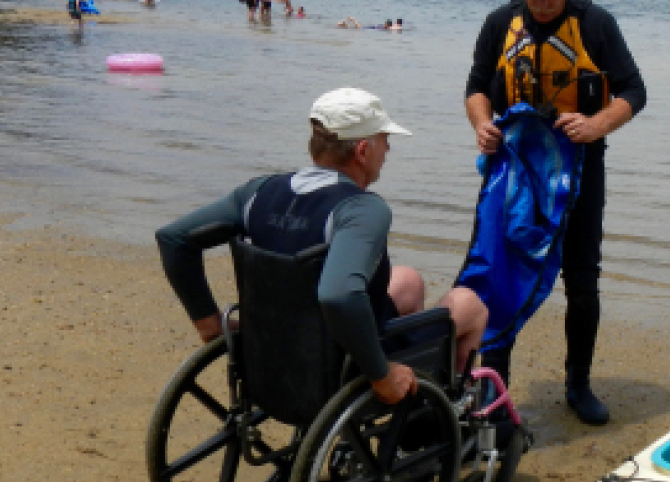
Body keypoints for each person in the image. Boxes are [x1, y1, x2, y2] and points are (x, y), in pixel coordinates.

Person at [155, 88, 489, 404]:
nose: (388, 151)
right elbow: (338, 294)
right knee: (469, 304)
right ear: (362, 150)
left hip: (275, 350)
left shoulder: (260, 192)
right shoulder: (361, 209)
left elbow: (174, 238)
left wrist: (210, 324)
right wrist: (381, 372)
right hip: (340, 365)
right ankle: (440, 406)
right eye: (385, 141)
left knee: (408, 280)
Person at [463, 0, 647, 425]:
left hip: (580, 168)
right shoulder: (501, 23)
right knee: (497, 270)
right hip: (515, 168)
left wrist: (596, 124)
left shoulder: (596, 25)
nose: (541, 1)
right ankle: (492, 386)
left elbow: (634, 90)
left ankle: (578, 383)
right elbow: (478, 87)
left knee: (582, 279)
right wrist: (481, 124)